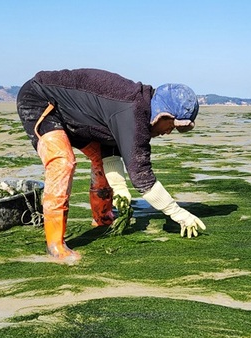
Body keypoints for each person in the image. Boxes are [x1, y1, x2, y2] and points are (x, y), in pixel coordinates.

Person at [16, 68, 206, 264]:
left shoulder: (135, 109)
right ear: (162, 114)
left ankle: (103, 218)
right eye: (172, 125)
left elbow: (109, 146)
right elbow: (142, 176)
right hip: (40, 100)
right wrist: (177, 212)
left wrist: (119, 187)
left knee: (99, 157)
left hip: (75, 116)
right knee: (62, 162)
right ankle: (55, 244)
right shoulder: (132, 112)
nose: (169, 132)